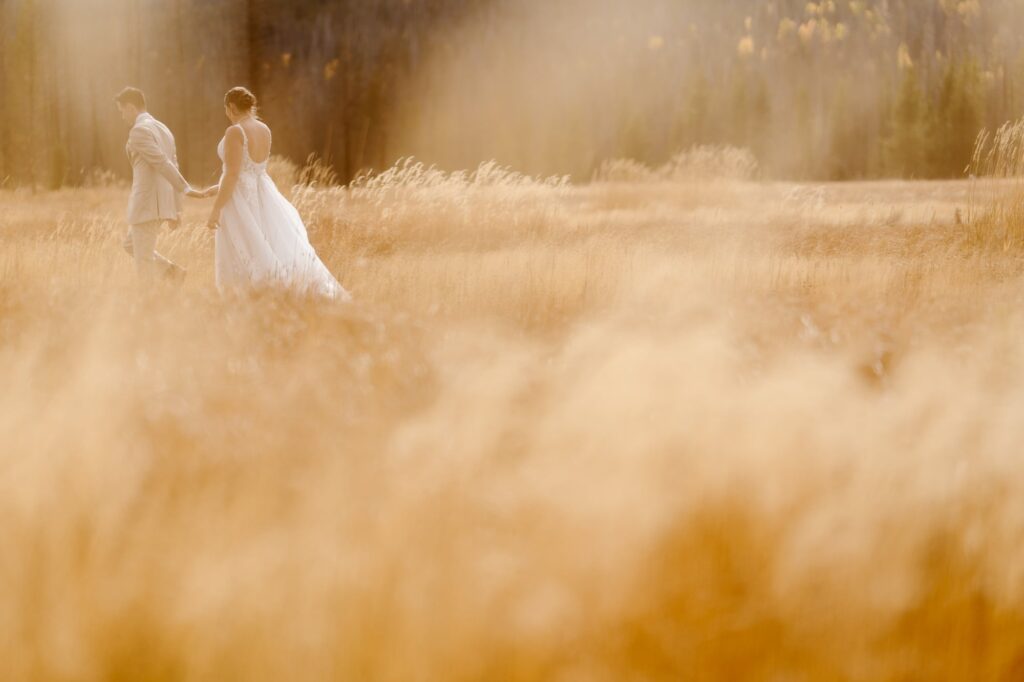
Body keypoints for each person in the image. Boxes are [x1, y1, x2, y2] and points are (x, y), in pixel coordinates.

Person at [187, 87, 350, 300]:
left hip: (241, 200)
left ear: (231, 107)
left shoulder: (235, 132)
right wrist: (217, 189)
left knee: (245, 244)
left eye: (226, 109)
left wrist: (216, 210)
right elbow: (252, 171)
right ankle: (279, 292)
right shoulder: (264, 129)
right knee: (267, 241)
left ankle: (255, 295)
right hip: (263, 193)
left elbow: (233, 173)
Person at [115, 87, 188, 282]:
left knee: (143, 261)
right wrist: (176, 208)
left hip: (147, 204)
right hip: (159, 203)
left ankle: (148, 302)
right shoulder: (163, 128)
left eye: (122, 111)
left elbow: (163, 163)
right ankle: (173, 273)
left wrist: (185, 190)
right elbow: (174, 164)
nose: (122, 116)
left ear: (130, 108)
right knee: (130, 245)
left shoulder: (139, 131)